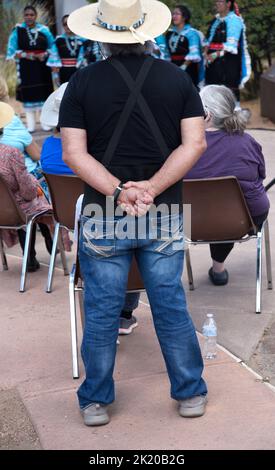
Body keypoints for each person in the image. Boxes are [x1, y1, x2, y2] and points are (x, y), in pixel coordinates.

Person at [59, 0, 207, 426]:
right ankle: (190, 392)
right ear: (146, 32)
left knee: (103, 309)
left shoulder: (81, 82)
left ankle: (95, 401)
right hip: (165, 211)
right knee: (170, 304)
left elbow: (73, 153)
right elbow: (195, 144)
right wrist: (152, 189)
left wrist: (119, 191)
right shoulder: (177, 78)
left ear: (102, 37)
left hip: (104, 213)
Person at [40, 84, 140, 334]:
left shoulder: (47, 150)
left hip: (66, 217)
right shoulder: (99, 152)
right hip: (106, 217)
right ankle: (125, 313)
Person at [185, 85, 270, 285]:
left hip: (193, 222)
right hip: (246, 219)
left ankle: (217, 269)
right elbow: (261, 175)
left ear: (206, 113)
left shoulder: (185, 147)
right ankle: (218, 268)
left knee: (217, 206)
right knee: (228, 206)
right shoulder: (247, 142)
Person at [0, 102, 52, 272]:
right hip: (18, 208)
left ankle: (29, 256)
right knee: (39, 200)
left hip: (3, 209)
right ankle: (51, 244)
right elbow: (28, 191)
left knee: (25, 205)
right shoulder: (11, 153)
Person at [6, 5, 54, 132]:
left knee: (44, 92)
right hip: (26, 67)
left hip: (42, 66)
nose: (29, 17)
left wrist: (44, 54)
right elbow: (11, 51)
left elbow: (52, 47)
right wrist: (28, 55)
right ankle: (31, 124)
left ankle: (45, 122)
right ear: (23, 16)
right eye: (26, 15)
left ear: (36, 16)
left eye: (31, 15)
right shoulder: (18, 31)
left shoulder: (44, 30)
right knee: (29, 93)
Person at [204, 0, 251, 108]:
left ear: (228, 4)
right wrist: (206, 54)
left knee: (229, 93)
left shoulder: (234, 20)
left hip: (228, 63)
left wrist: (215, 55)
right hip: (213, 63)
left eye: (220, 1)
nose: (217, 3)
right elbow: (208, 41)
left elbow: (231, 45)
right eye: (216, 1)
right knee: (213, 93)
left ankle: (233, 120)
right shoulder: (215, 21)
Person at [166, 5, 203, 88]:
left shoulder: (192, 33)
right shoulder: (170, 33)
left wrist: (183, 67)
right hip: (173, 66)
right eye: (173, 14)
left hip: (188, 68)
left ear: (184, 17)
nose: (174, 16)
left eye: (177, 14)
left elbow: (194, 53)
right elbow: (167, 53)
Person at [47, 15, 85, 86]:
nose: (67, 26)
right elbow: (54, 58)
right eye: (65, 24)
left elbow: (85, 57)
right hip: (63, 72)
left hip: (78, 71)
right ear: (62, 26)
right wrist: (55, 76)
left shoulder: (82, 40)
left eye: (69, 23)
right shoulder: (59, 40)